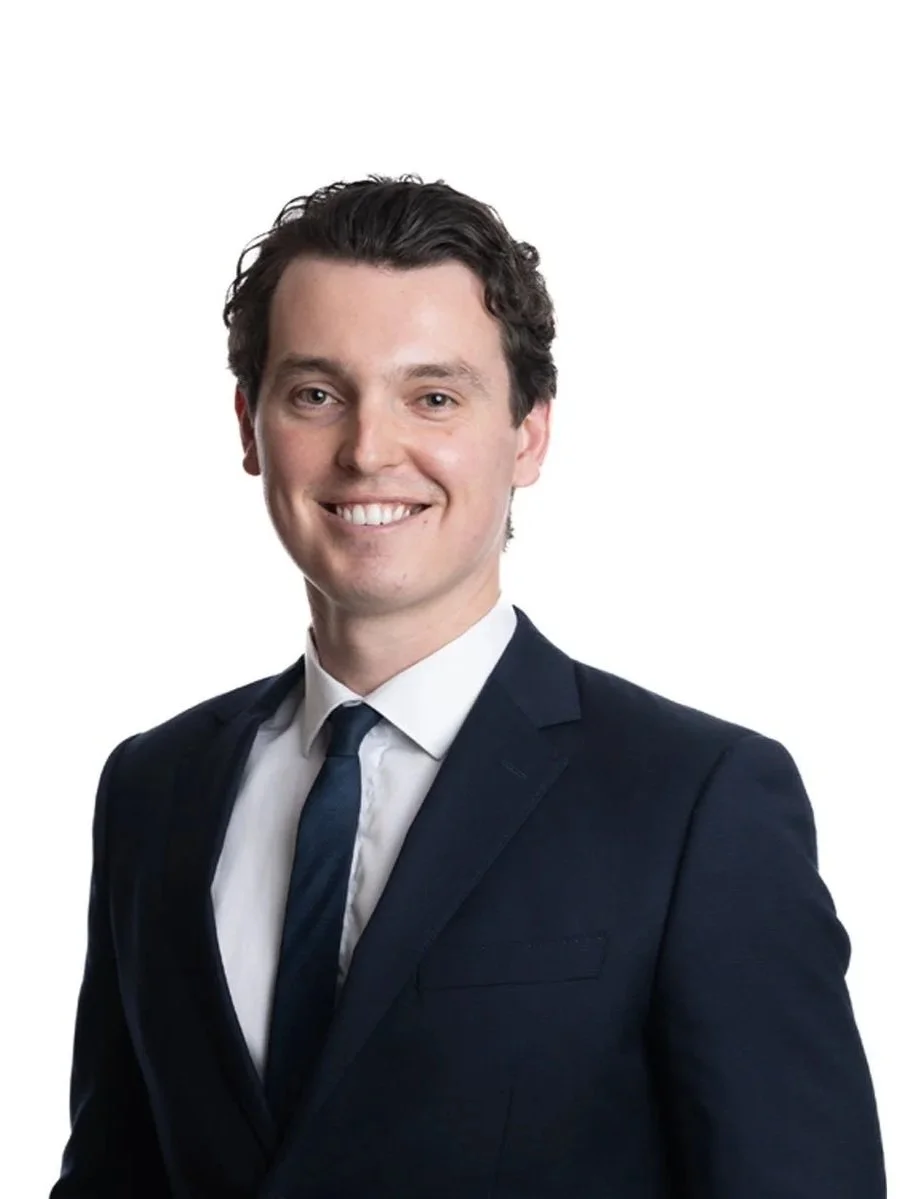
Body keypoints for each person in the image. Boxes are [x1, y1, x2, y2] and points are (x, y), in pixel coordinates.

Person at [50, 175, 885, 1198]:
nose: (367, 448)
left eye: (432, 396)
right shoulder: (153, 789)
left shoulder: (693, 800)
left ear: (527, 432)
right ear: (249, 424)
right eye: (316, 393)